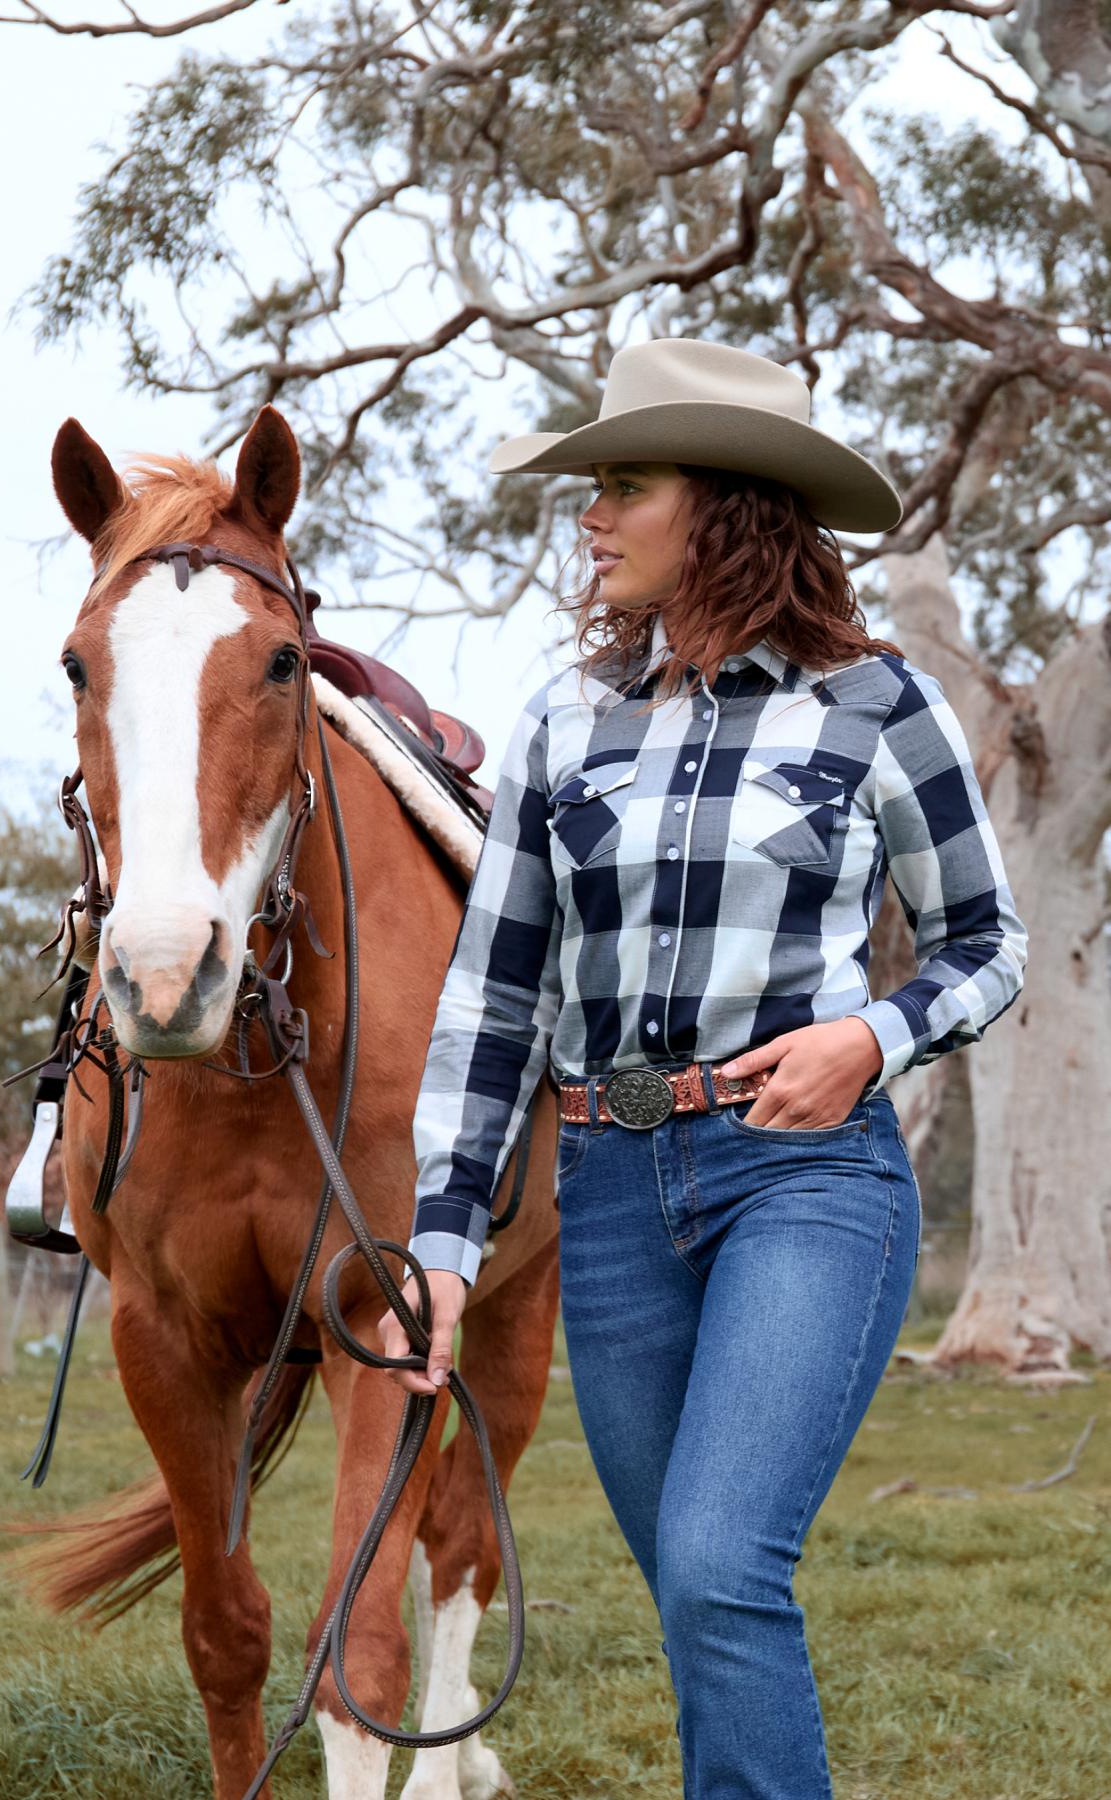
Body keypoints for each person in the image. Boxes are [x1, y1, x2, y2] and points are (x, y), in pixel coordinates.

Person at [378, 336, 1028, 1797]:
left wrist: (874, 1033)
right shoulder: (567, 718)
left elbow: (988, 943)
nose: (590, 518)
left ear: (724, 504)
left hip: (804, 1177)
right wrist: (443, 1236)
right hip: (607, 1190)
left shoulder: (880, 706)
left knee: (725, 1564)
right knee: (693, 1591)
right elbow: (496, 998)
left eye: (622, 485)